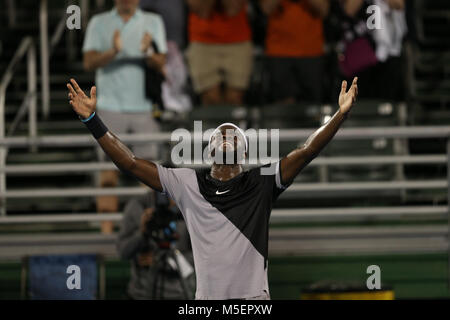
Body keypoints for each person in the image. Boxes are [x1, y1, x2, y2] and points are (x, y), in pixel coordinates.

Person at [67, 76, 358, 299]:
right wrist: (92, 120)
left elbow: (306, 151)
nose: (227, 137)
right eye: (221, 135)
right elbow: (130, 163)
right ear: (209, 152)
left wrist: (340, 115)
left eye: (234, 135)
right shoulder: (187, 183)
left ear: (244, 155)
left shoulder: (263, 183)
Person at [82, 0, 167, 233]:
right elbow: (89, 61)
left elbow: (161, 64)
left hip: (144, 109)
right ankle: (106, 232)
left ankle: (149, 230)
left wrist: (148, 51)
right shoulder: (99, 23)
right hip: (109, 108)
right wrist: (114, 51)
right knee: (107, 174)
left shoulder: (153, 21)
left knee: (149, 174)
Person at [117, 191, 194, 299]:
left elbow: (200, 259)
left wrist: (165, 261)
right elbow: (123, 252)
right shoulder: (138, 206)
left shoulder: (191, 206)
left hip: (178, 294)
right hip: (140, 294)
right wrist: (142, 233)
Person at [260, 0, 329, 104]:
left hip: (311, 52)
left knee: (312, 107)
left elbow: (324, 10)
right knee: (284, 106)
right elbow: (266, 8)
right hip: (279, 52)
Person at [186, 0, 253, 106]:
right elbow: (202, 12)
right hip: (202, 41)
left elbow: (233, 9)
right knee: (210, 98)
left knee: (235, 98)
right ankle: (204, 123)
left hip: (238, 40)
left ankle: (235, 123)